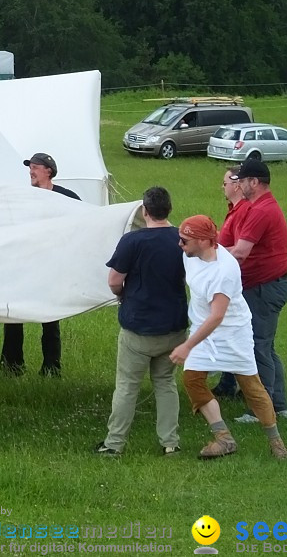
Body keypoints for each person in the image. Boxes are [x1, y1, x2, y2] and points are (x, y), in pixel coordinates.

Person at [170, 215, 287, 460]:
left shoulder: (224, 270)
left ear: (203, 240)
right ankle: (224, 438)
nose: (179, 245)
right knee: (192, 380)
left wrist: (187, 346)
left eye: (184, 240)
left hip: (232, 332)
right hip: (203, 331)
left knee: (252, 388)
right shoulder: (189, 254)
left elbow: (217, 317)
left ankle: (276, 443)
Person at [93, 186, 188, 456]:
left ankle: (114, 444)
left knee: (127, 387)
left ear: (144, 211)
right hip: (174, 326)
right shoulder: (181, 239)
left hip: (139, 328)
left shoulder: (132, 241)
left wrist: (122, 295)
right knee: (165, 383)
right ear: (168, 210)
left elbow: (114, 280)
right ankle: (170, 443)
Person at [0, 152, 80, 376]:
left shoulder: (67, 197)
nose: (31, 172)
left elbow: (84, 223)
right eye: (30, 168)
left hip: (51, 267)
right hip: (22, 266)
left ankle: (51, 368)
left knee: (50, 318)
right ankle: (12, 366)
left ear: (48, 171)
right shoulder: (23, 198)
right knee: (13, 315)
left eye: (35, 167)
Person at [226, 159, 287, 423]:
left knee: (258, 347)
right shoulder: (261, 207)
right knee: (267, 346)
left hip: (265, 287)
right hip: (270, 284)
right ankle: (279, 405)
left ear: (254, 182)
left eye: (242, 181)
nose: (239, 185)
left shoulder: (261, 211)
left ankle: (262, 409)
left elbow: (241, 252)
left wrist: (210, 253)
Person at [212, 165, 251, 398]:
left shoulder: (244, 211)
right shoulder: (234, 210)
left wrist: (209, 251)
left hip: (236, 281)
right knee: (226, 331)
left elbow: (238, 250)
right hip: (230, 279)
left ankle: (244, 386)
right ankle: (228, 382)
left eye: (225, 183)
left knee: (235, 332)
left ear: (237, 185)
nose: (222, 187)